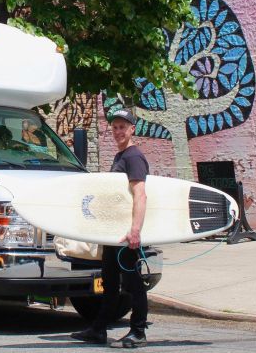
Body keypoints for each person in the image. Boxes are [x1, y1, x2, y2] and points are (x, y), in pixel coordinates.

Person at [71, 107, 149, 348]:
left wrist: (135, 230)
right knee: (110, 282)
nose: (118, 131)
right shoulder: (120, 156)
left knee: (133, 283)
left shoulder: (134, 157)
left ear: (132, 129)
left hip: (126, 233)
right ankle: (99, 329)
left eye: (122, 127)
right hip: (113, 233)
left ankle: (138, 331)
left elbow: (140, 195)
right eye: (114, 127)